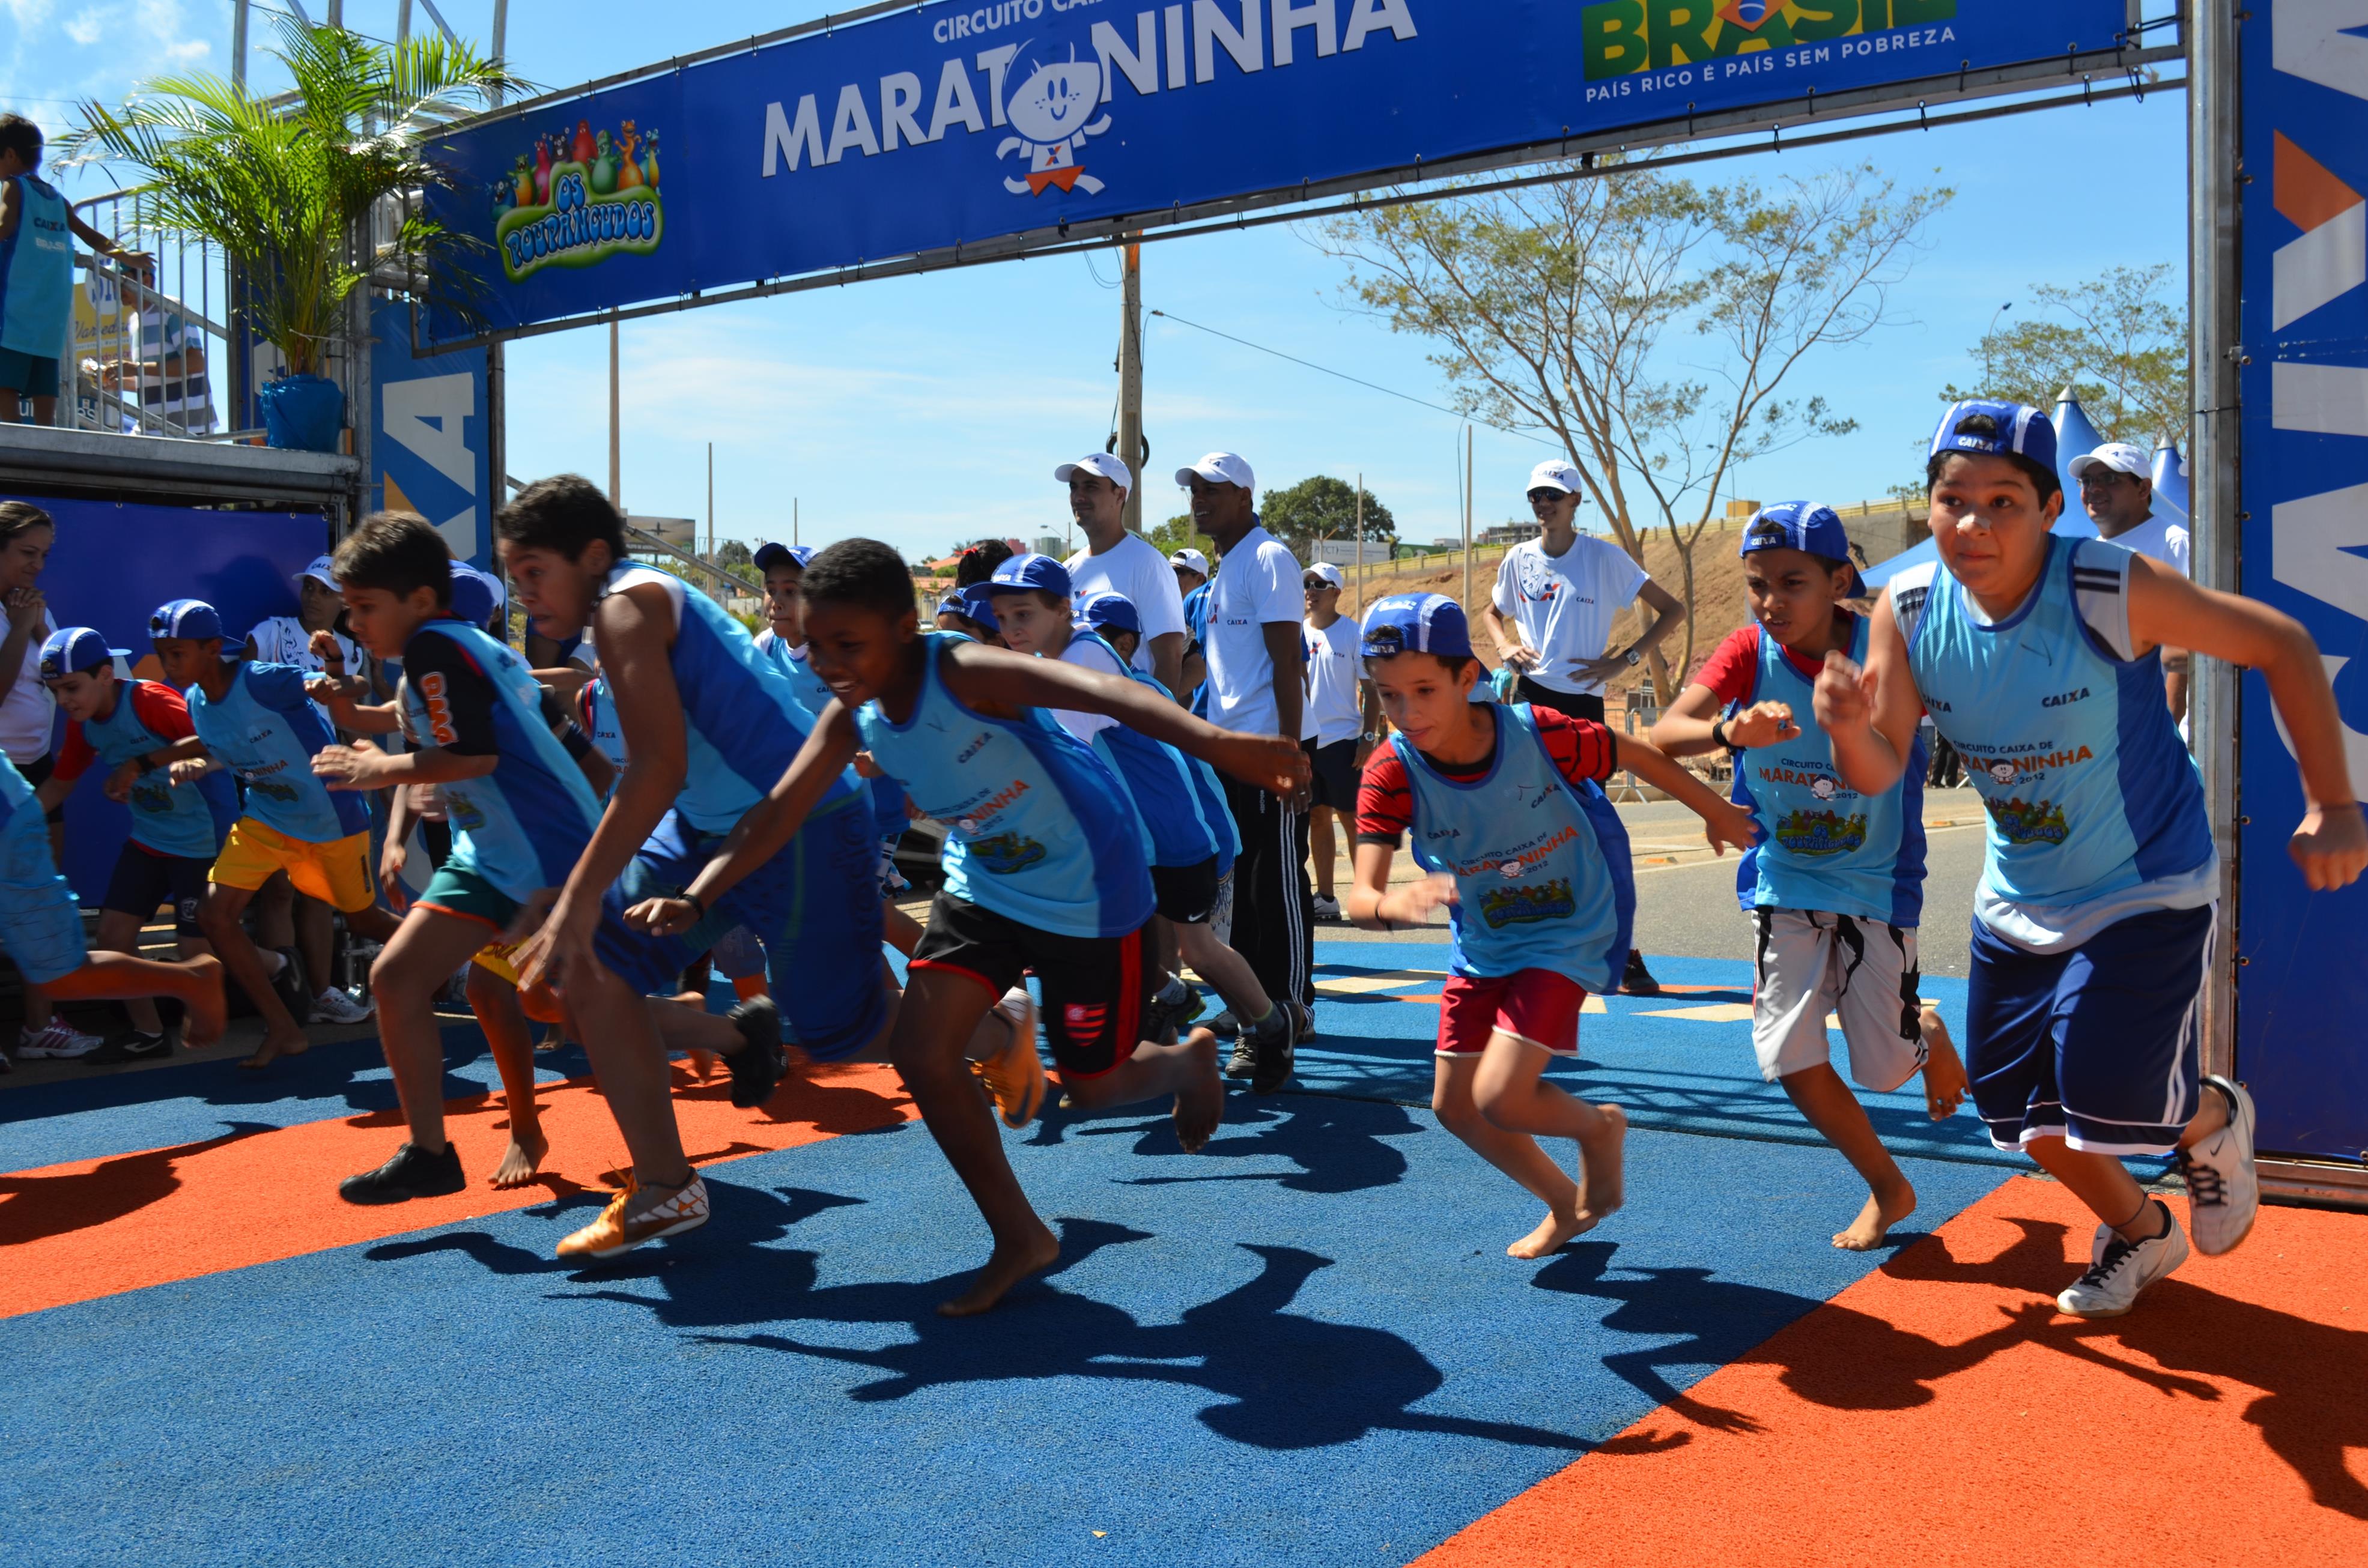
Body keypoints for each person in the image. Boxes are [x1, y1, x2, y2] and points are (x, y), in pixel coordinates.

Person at [625, 538, 1305, 1316]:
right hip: (984, 884)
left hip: (1089, 885)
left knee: (1092, 1085)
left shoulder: (962, 671)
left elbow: (1109, 694)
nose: (828, 661)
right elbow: (779, 809)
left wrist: (1222, 743)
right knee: (920, 1047)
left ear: (902, 628)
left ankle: (1189, 1062)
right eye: (816, 645)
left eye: (849, 644)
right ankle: (1019, 1234)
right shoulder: (852, 718)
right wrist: (698, 894)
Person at [1815, 399, 2367, 1318]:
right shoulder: (1907, 612)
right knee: (2019, 1114)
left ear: (2046, 511)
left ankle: (2213, 1116)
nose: (1975, 523)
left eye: (2003, 500)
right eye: (1954, 500)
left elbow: (2279, 643)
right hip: (2017, 895)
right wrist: (1845, 729)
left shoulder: (2109, 587)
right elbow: (1878, 769)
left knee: (2107, 1089)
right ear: (1929, 510)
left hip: (2142, 882)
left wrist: (2334, 802)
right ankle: (2144, 1232)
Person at [500, 476, 875, 1259]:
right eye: (514, 571)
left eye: (535, 569)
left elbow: (655, 768)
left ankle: (1001, 1021)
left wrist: (577, 891)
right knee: (595, 968)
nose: (521, 588)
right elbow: (654, 770)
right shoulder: (622, 613)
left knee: (865, 1033)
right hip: (708, 827)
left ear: (592, 556)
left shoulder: (625, 608)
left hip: (801, 822)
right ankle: (669, 1188)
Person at [1347, 593, 1759, 1256]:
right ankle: (1565, 1204)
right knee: (1455, 1108)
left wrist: (1715, 810)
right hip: (1485, 941)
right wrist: (1388, 904)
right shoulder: (1391, 771)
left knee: (1503, 1097)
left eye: (1423, 689)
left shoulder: (1538, 733)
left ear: (1466, 677)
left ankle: (1599, 1128)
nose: (1407, 711)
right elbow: (1360, 895)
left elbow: (1638, 753)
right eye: (1388, 695)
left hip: (1572, 925)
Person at [1651, 503, 1970, 1252]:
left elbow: (1900, 756)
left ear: (1840, 580)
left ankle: (1921, 1030)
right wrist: (1729, 731)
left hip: (1875, 882)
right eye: (1758, 584)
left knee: (1884, 1073)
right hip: (1784, 879)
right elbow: (1665, 734)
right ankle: (1887, 1185)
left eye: (1792, 583)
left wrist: (1852, 723)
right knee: (1787, 1056)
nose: (1772, 602)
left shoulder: (1882, 648)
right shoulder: (1745, 651)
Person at [304, 515, 613, 1202]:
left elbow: (474, 754)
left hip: (536, 853)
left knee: (558, 1001)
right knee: (408, 979)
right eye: (349, 608)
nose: (354, 623)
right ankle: (431, 1150)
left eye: (363, 607)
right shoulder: (466, 650)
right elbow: (568, 752)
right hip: (501, 849)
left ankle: (727, 1033)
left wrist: (378, 772)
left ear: (420, 600)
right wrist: (356, 716)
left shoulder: (438, 652)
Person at [985, 560, 1289, 1088]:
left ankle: (1269, 1023)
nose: (1011, 628)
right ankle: (1168, 1005)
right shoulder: (1058, 657)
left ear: (1062, 609)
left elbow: (1053, 760)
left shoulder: (1080, 660)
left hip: (1170, 832)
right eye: (1002, 616)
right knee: (1114, 939)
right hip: (1134, 836)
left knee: (1198, 949)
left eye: (1024, 613)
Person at [148, 598, 403, 1069]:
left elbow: (356, 684)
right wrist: (193, 765)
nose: (169, 664)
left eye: (177, 652)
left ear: (210, 649)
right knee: (214, 915)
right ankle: (284, 1027)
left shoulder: (261, 680)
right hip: (266, 819)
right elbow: (224, 750)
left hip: (331, 815)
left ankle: (464, 958)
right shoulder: (195, 702)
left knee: (365, 921)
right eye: (163, 653)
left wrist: (333, 680)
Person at [1484, 459, 1685, 997]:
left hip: (1583, 709)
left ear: (1575, 501)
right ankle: (1536, 943)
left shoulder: (1603, 558)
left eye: (1553, 495)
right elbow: (1489, 613)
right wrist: (1504, 647)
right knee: (1530, 828)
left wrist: (1626, 660)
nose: (1543, 504)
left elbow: (1672, 609)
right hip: (1529, 706)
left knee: (1594, 830)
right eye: (1535, 497)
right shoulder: (1517, 559)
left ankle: (1623, 951)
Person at [34, 627, 234, 1062]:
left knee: (195, 947)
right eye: (55, 691)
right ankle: (148, 1032)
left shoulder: (151, 702)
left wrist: (164, 764)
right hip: (148, 841)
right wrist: (16, 824)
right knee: (111, 939)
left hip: (201, 842)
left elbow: (218, 744)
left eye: (72, 687)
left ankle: (273, 971)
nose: (65, 700)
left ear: (106, 675)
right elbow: (58, 784)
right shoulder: (82, 726)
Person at [1180, 452, 1314, 1076]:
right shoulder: (1225, 569)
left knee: (1275, 885)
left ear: (1244, 495)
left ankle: (1287, 1010)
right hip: (1229, 749)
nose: (1200, 500)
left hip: (1269, 748)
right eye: (1194, 492)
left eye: (1213, 490)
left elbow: (1288, 661)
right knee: (1242, 892)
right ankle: (1251, 1006)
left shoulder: (1268, 557)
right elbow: (1211, 670)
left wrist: (1289, 751)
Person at [0, 750, 227, 1074]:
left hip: (7, 828)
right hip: (13, 817)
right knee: (57, 980)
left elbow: (210, 744)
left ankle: (194, 979)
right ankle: (191, 979)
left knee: (60, 978)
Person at [0, 500, 93, 1059]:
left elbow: (61, 682)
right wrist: (20, 629)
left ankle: (40, 1026)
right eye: (26, 554)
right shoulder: (20, 613)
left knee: (42, 899)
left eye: (44, 556)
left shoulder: (35, 609)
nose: (37, 566)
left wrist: (37, 629)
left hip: (39, 771)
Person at [0, 114, 149, 425]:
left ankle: (12, 453)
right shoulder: (58, 199)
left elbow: (3, 227)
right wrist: (130, 256)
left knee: (6, 388)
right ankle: (45, 449)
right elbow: (93, 238)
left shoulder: (13, 188)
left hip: (13, 313)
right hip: (50, 320)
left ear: (11, 156)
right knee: (44, 392)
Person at [2068, 440, 2190, 721]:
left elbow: (2185, 646)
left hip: (2153, 727)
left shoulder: (2173, 543)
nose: (2093, 488)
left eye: (2110, 478)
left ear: (2144, 489)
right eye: (2086, 480)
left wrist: (2169, 722)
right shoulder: (2085, 554)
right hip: (2102, 725)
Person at [1058, 452, 1189, 692]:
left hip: (1125, 724)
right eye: (1074, 487)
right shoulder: (1068, 569)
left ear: (1120, 495)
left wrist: (1151, 727)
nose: (1078, 496)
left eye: (1091, 487)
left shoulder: (1149, 564)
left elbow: (1170, 659)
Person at [1299, 561, 1381, 922]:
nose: (1311, 591)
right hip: (1307, 741)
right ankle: (1328, 898)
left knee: (1352, 820)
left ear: (1337, 592)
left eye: (1320, 585)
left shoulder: (1353, 633)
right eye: (1308, 584)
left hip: (1345, 741)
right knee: (1318, 818)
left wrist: (1369, 736)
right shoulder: (1297, 631)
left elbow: (1371, 688)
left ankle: (1366, 897)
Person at [1171, 546, 1213, 711]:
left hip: (1226, 713)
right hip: (1196, 712)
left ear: (1200, 579)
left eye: (1179, 572)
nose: (1173, 578)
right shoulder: (1168, 613)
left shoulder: (1211, 604)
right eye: (1169, 572)